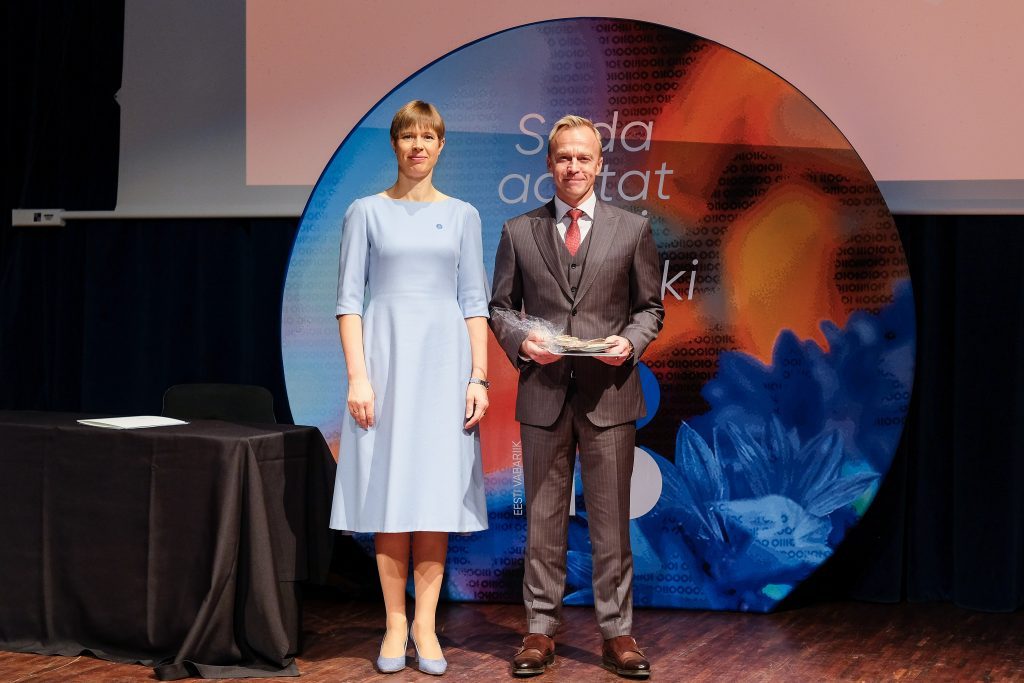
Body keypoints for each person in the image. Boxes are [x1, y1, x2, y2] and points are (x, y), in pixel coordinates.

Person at [489, 115, 664, 679]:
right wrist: (523, 342)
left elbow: (650, 309)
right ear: (549, 163)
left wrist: (630, 343)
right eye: (563, 157)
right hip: (543, 395)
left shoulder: (631, 229)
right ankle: (539, 631)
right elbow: (500, 309)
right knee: (542, 521)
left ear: (600, 164)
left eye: (583, 157)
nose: (573, 166)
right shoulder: (519, 231)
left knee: (611, 523)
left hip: (609, 395)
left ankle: (618, 634)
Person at [330, 100, 491, 676]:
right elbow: (349, 302)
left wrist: (478, 378)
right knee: (391, 495)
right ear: (394, 144)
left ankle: (425, 624)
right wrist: (358, 377)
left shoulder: (464, 215)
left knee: (434, 495)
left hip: (445, 367)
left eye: (428, 137)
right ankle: (395, 623)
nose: (418, 146)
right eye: (407, 136)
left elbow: (474, 303)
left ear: (442, 146)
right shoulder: (365, 211)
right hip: (385, 365)